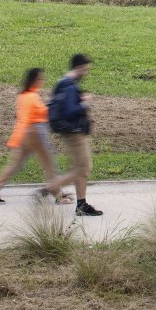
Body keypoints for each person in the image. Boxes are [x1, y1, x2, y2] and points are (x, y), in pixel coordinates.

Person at [0, 68, 73, 205]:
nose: (42, 81)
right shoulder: (31, 97)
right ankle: (57, 194)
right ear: (33, 80)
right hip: (34, 134)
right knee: (49, 163)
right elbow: (26, 118)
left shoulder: (26, 95)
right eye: (40, 79)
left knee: (15, 164)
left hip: (27, 135)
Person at [47, 54, 102, 217]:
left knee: (81, 169)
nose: (86, 72)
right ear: (78, 67)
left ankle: (81, 204)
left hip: (70, 132)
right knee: (83, 168)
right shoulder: (70, 86)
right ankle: (51, 188)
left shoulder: (63, 83)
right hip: (75, 133)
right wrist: (85, 102)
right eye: (85, 69)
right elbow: (70, 111)